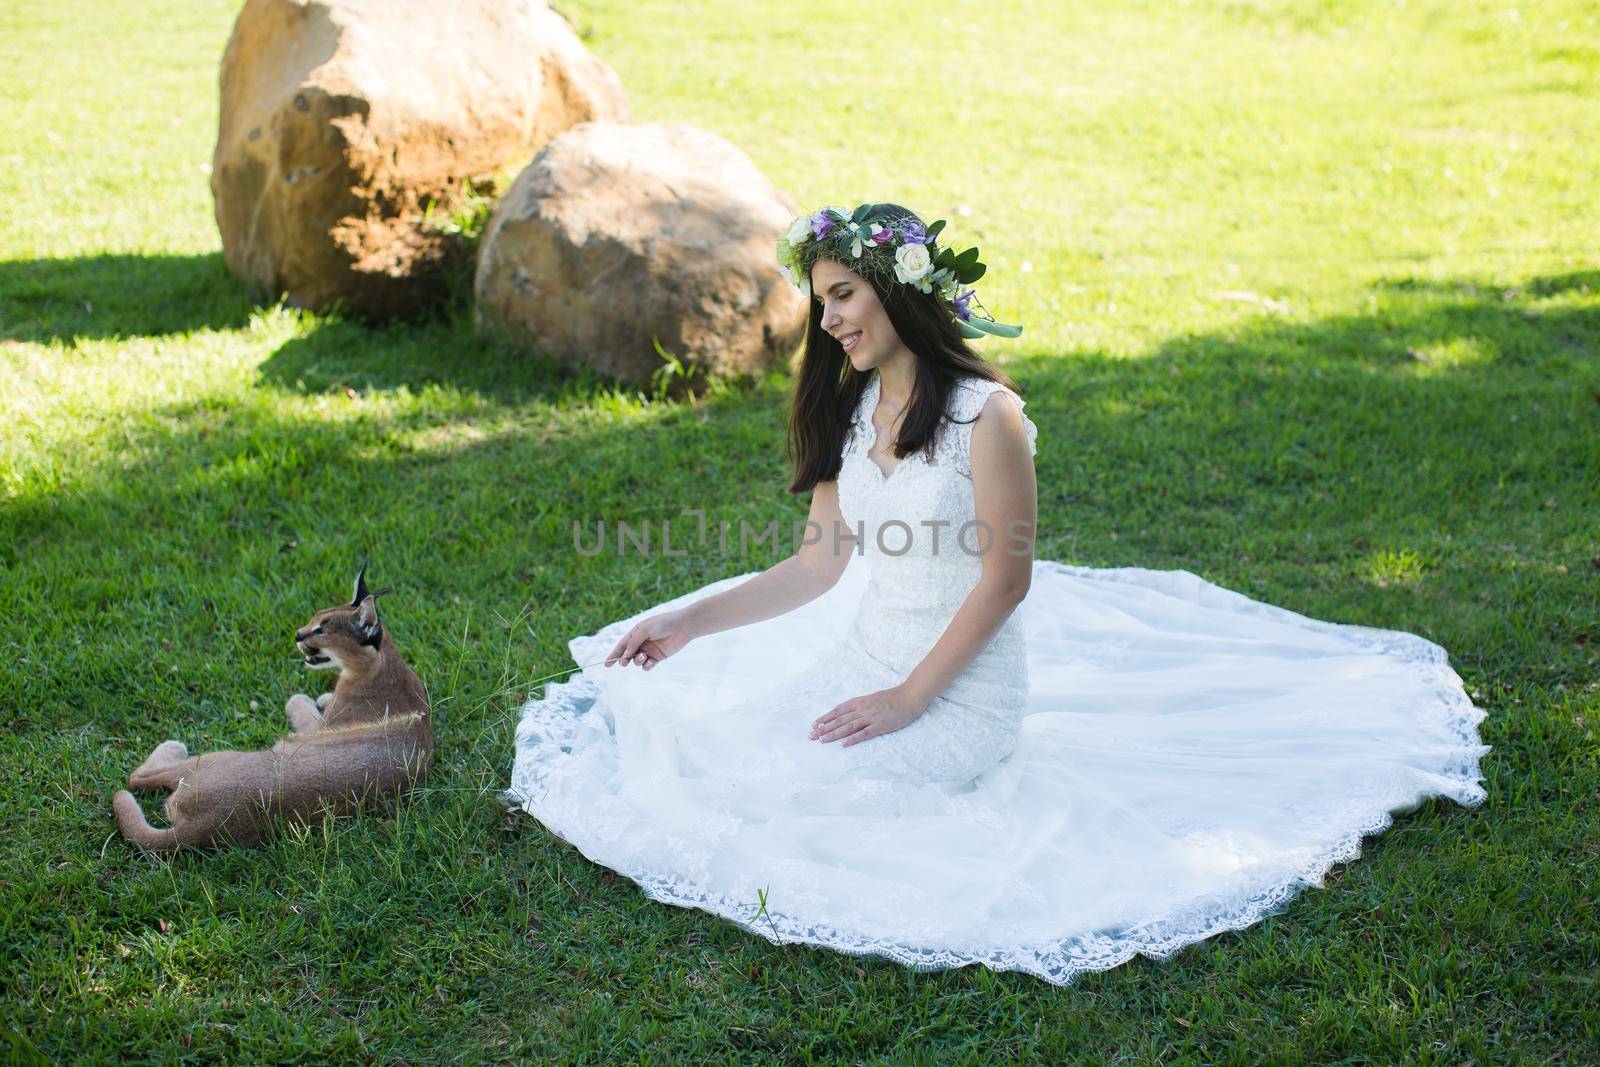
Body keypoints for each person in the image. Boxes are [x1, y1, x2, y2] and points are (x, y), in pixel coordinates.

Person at [503, 202, 1491, 985]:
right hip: (864, 652)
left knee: (817, 807)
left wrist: (909, 698)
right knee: (727, 763)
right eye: (822, 301)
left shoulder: (989, 416)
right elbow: (817, 564)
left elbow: (1006, 579)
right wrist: (686, 622)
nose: (833, 317)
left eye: (847, 292)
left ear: (900, 288)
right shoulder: (850, 409)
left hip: (959, 690)